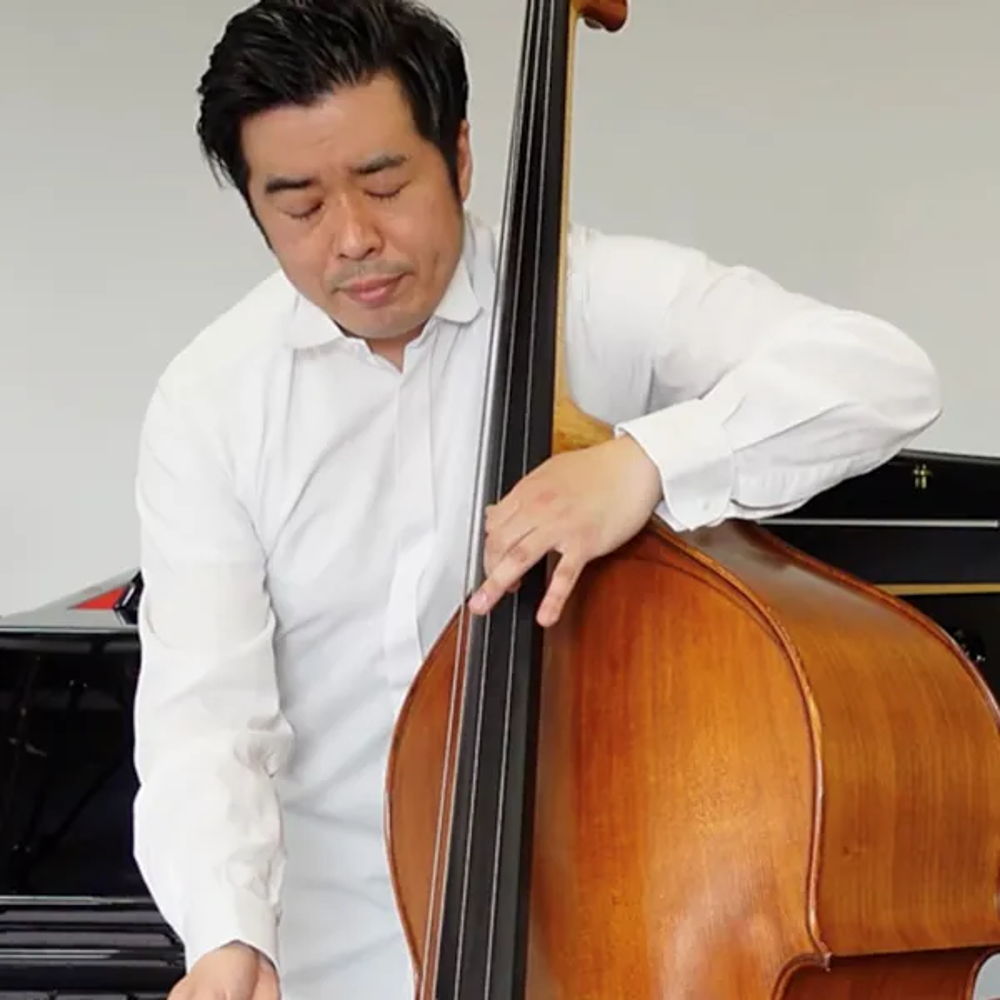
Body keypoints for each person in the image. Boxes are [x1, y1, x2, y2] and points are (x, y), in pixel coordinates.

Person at [131, 0, 942, 997]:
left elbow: (881, 374)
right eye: (299, 207)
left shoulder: (592, 295)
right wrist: (226, 935)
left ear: (460, 156)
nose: (352, 238)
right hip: (325, 959)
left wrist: (643, 463)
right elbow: (206, 713)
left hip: (602, 936)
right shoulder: (212, 399)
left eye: (385, 184)